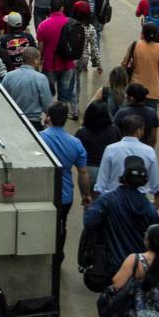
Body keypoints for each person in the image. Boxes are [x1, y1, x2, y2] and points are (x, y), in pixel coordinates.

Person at [85, 156, 159, 280]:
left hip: (111, 263)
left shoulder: (108, 200)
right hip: (138, 266)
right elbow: (155, 237)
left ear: (123, 178)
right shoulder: (149, 208)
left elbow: (89, 221)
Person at [38, 102, 91, 262]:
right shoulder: (75, 143)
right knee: (61, 225)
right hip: (65, 194)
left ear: (48, 118)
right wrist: (86, 195)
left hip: (43, 192)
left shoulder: (39, 138)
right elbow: (83, 173)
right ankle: (58, 255)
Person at [95, 115, 159, 196]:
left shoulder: (110, 149)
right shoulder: (149, 151)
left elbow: (101, 181)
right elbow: (155, 185)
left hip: (113, 198)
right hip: (138, 199)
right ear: (138, 131)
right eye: (142, 129)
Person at [37, 0, 76, 108]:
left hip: (50, 65)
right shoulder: (71, 23)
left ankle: (50, 116)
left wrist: (39, 61)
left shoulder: (43, 25)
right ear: (62, 8)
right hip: (68, 64)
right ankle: (61, 116)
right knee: (63, 98)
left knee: (48, 94)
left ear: (50, 8)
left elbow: (41, 48)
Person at [76, 100, 122, 195]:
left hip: (88, 171)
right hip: (109, 171)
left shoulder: (81, 132)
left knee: (88, 204)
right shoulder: (114, 131)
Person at [1, 47, 53, 130]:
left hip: (12, 121)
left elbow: (1, 99)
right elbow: (48, 105)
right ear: (36, 60)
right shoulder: (41, 78)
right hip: (33, 123)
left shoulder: (8, 76)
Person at [122, 23, 159, 112]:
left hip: (134, 90)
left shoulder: (135, 45)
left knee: (131, 117)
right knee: (149, 119)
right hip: (152, 91)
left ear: (142, 33)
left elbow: (124, 64)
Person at [114, 84, 159, 148]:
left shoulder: (121, 113)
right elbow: (153, 138)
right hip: (144, 149)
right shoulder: (152, 113)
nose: (125, 96)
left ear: (131, 98)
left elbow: (114, 134)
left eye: (126, 95)